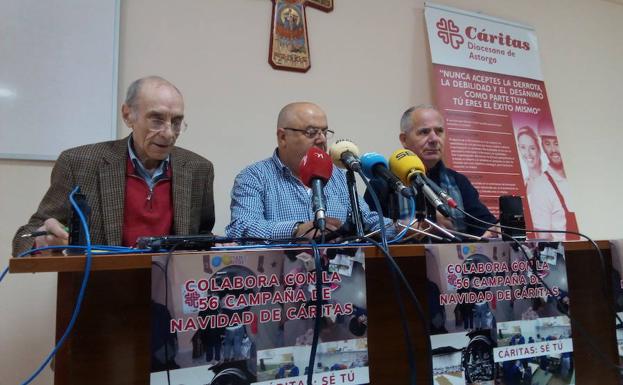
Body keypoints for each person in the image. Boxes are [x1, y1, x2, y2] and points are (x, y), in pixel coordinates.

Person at [12, 76, 215, 255]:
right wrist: (42, 240)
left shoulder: (198, 169)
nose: (169, 133)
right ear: (128, 115)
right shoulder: (79, 163)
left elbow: (203, 236)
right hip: (99, 291)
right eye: (156, 120)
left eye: (177, 122)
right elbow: (25, 237)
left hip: (171, 294)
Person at [226, 101, 383, 239]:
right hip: (283, 271)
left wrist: (400, 227)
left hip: (336, 271)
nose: (321, 139)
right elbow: (240, 227)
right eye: (311, 132)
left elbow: (368, 220)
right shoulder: (254, 177)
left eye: (324, 132)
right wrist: (296, 230)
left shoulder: (338, 176)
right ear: (282, 137)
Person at [399, 105, 496, 237]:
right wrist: (427, 224)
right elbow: (372, 229)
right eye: (424, 132)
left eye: (439, 131)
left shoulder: (459, 182)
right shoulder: (383, 181)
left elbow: (486, 225)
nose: (434, 139)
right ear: (404, 140)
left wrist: (494, 232)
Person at [526, 118, 578, 240]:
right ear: (542, 146)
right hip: (564, 256)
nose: (553, 150)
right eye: (547, 143)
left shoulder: (577, 180)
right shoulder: (541, 186)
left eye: (556, 143)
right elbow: (543, 239)